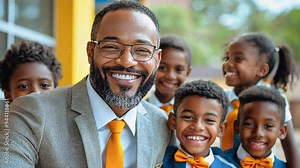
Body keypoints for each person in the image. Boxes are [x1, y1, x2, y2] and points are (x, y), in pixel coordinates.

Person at [0, 1, 171, 167]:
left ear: (157, 59)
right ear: (90, 52)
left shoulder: (163, 125)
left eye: (142, 50)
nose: (126, 61)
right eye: (111, 47)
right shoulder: (32, 113)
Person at [221, 32, 299, 167]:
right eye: (227, 58)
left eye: (238, 59)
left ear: (262, 69)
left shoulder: (275, 100)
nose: (228, 64)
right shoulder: (220, 99)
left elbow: (288, 143)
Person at [163, 79, 236, 168]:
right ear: (173, 121)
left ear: (221, 129)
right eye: (188, 117)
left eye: (209, 120)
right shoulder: (159, 161)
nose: (198, 127)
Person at [224, 86, 287, 168]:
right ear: (237, 127)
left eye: (268, 126)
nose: (258, 133)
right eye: (249, 124)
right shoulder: (219, 162)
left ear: (282, 131)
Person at [146, 35, 192, 114]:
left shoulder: (191, 110)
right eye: (162, 68)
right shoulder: (137, 109)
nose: (170, 76)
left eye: (178, 70)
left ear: (187, 73)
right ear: (152, 67)